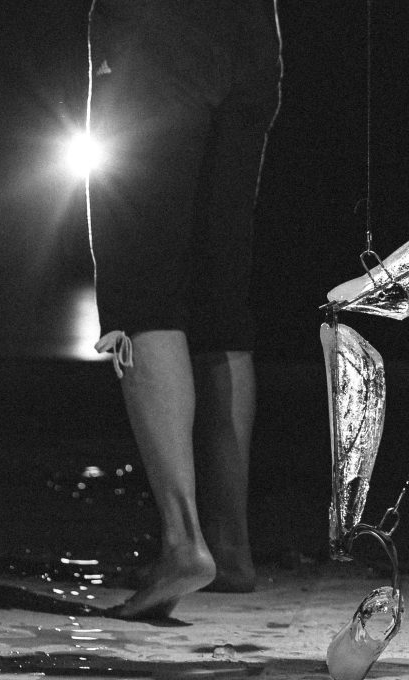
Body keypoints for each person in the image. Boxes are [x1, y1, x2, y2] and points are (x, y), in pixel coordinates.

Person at [86, 0, 282, 618]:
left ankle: (182, 544)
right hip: (252, 35)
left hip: (157, 36)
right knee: (220, 295)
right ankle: (229, 546)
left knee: (140, 285)